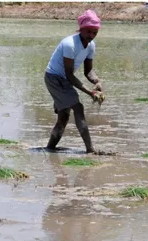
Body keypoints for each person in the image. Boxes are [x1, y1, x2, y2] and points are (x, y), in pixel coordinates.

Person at [44, 9, 104, 154]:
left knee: (63, 117)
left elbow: (88, 71)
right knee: (78, 108)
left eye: (94, 32)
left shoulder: (91, 46)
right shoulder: (69, 44)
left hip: (64, 79)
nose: (91, 36)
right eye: (88, 31)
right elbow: (69, 75)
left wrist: (96, 81)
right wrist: (90, 92)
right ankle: (90, 150)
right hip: (54, 78)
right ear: (81, 29)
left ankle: (50, 149)